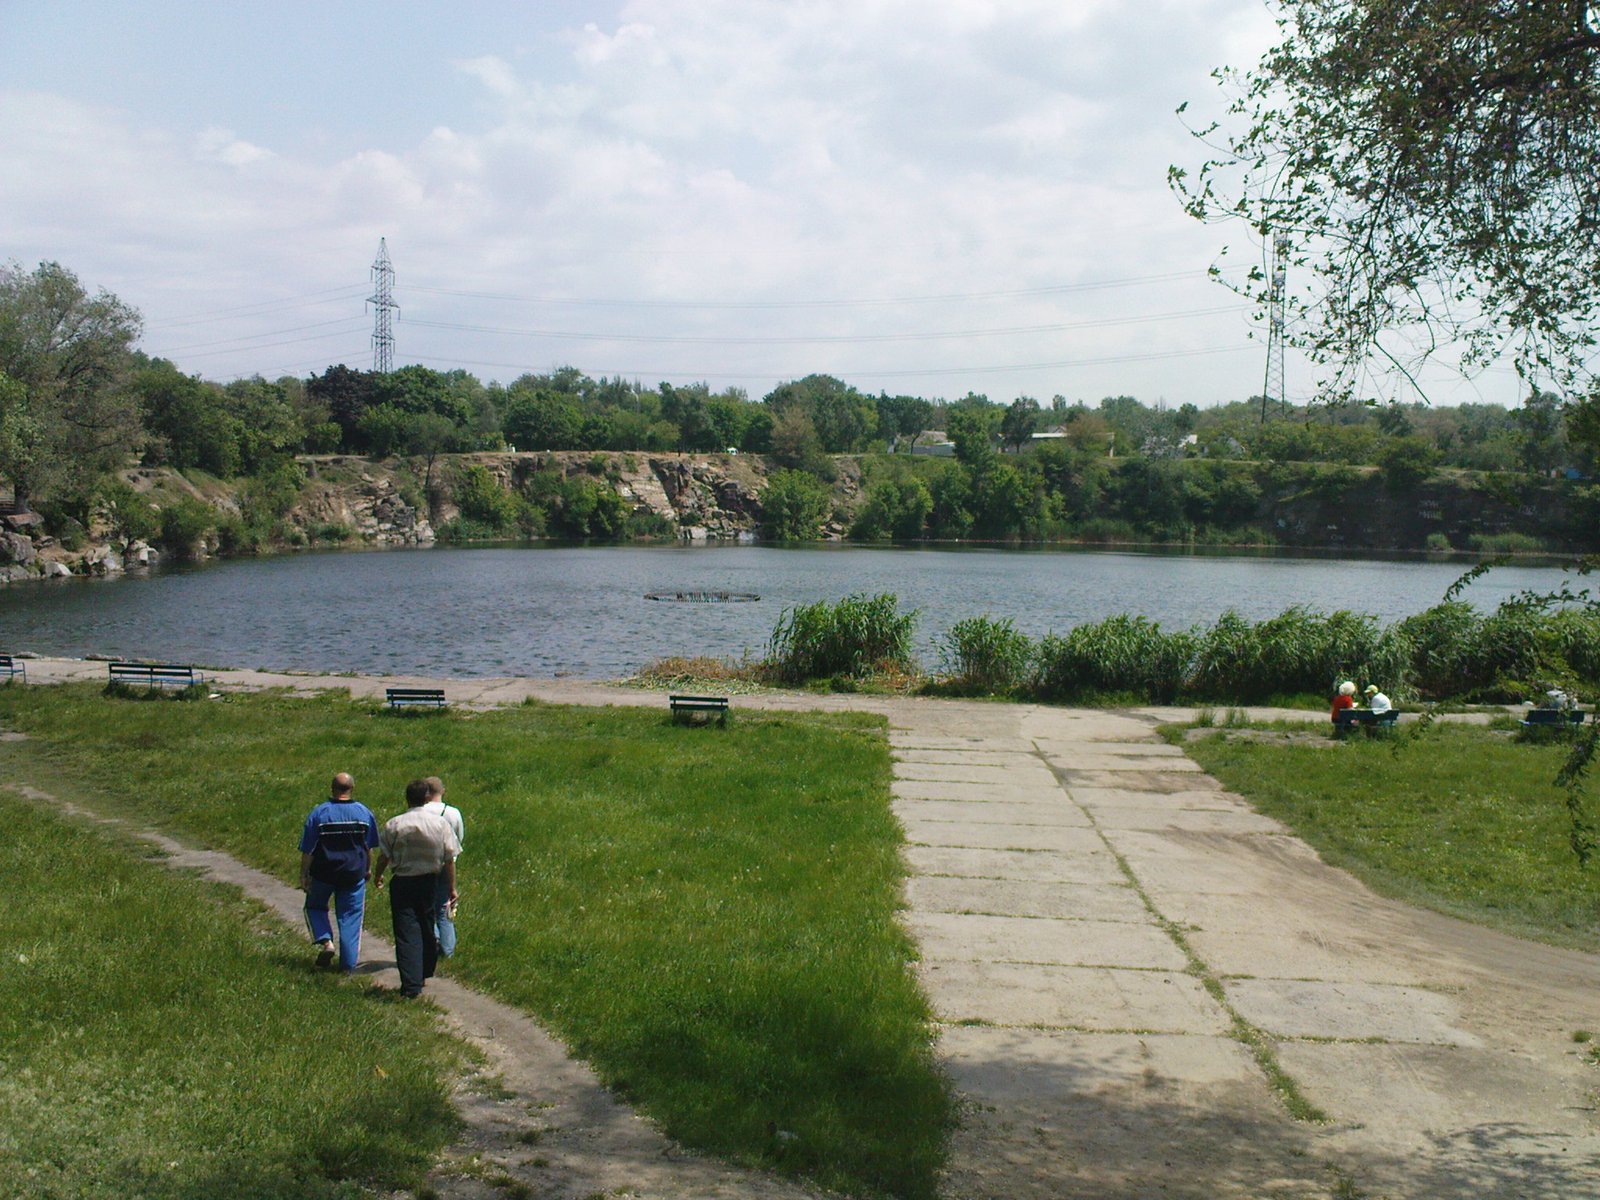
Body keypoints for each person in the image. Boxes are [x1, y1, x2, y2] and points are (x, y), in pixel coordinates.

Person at [372, 778, 460, 998]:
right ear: (427, 798)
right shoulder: (440, 824)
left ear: (407, 798)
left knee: (406, 931)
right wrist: (452, 887)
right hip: (429, 881)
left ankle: (411, 984)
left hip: (403, 881)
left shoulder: (395, 824)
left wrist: (378, 874)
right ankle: (425, 967)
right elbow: (450, 858)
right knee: (426, 926)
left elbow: (384, 855)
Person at [298, 771, 380, 972]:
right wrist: (368, 869)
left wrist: (304, 874)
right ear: (352, 789)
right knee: (351, 917)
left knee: (315, 907)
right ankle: (348, 966)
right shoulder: (364, 813)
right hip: (353, 874)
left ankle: (326, 941)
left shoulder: (319, 813)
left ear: (332, 788)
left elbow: (308, 849)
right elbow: (368, 847)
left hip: (324, 873)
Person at [422, 776, 465, 958]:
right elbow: (459, 838)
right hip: (447, 865)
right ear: (442, 791)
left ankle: (433, 940)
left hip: (424, 864)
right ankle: (447, 951)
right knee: (443, 907)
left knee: (426, 906)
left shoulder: (420, 811)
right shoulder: (453, 812)